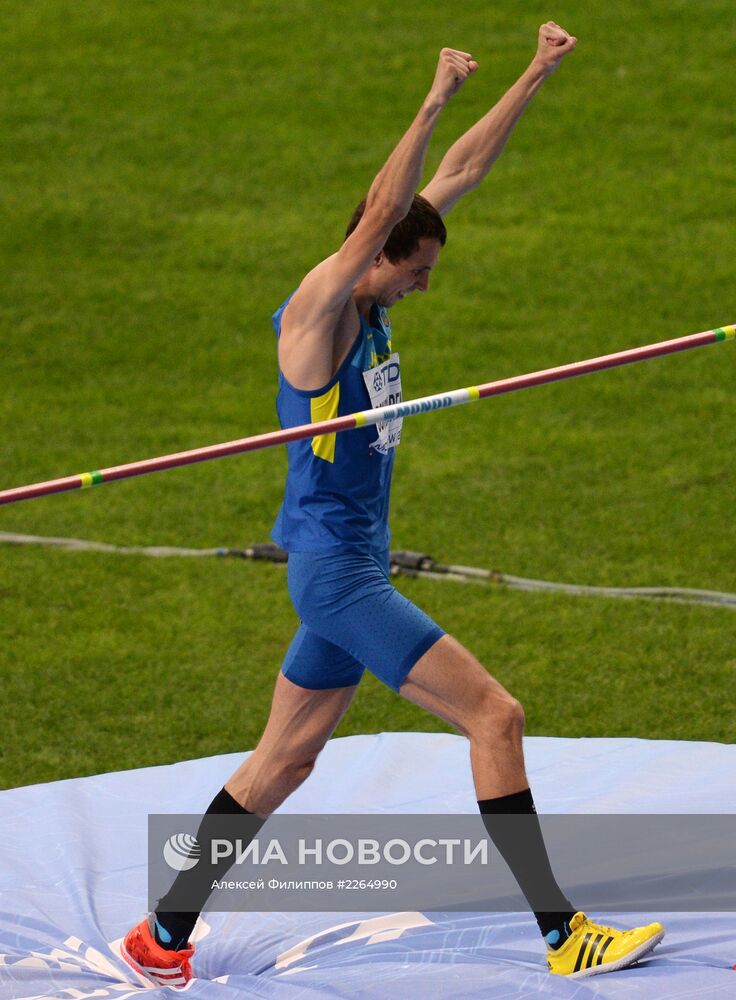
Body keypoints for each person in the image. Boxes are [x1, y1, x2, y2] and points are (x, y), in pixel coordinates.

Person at [122, 22, 664, 987]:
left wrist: (534, 74)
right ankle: (563, 935)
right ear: (375, 256)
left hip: (349, 569)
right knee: (497, 717)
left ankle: (160, 933)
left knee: (279, 765)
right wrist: (430, 97)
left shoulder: (371, 302)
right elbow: (385, 207)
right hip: (337, 578)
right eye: (414, 269)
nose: (422, 285)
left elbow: (453, 177)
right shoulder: (318, 315)